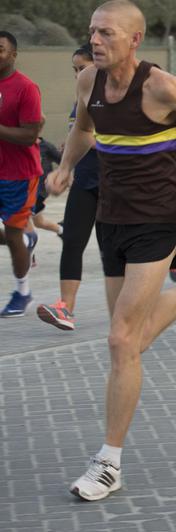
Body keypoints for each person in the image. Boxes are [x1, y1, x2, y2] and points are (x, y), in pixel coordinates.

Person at [47, 0, 176, 501]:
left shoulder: (161, 86)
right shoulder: (89, 81)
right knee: (131, 343)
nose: (96, 40)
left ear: (134, 40)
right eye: (92, 31)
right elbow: (84, 130)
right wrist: (67, 167)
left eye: (107, 33)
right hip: (110, 219)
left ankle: (109, 461)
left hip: (157, 221)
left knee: (119, 340)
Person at [36, 45, 99, 330]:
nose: (78, 75)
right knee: (72, 240)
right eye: (74, 69)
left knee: (120, 249)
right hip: (86, 181)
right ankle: (65, 308)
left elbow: (107, 139)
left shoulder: (113, 97)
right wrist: (66, 162)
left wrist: (83, 142)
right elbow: (80, 135)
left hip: (117, 183)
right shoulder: (80, 100)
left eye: (82, 68)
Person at [0, 31, 42, 318]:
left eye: (0, 49)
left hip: (18, 175)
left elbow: (29, 135)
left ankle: (23, 292)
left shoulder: (26, 88)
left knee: (14, 235)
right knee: (16, 238)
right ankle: (26, 243)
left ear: (13, 54)